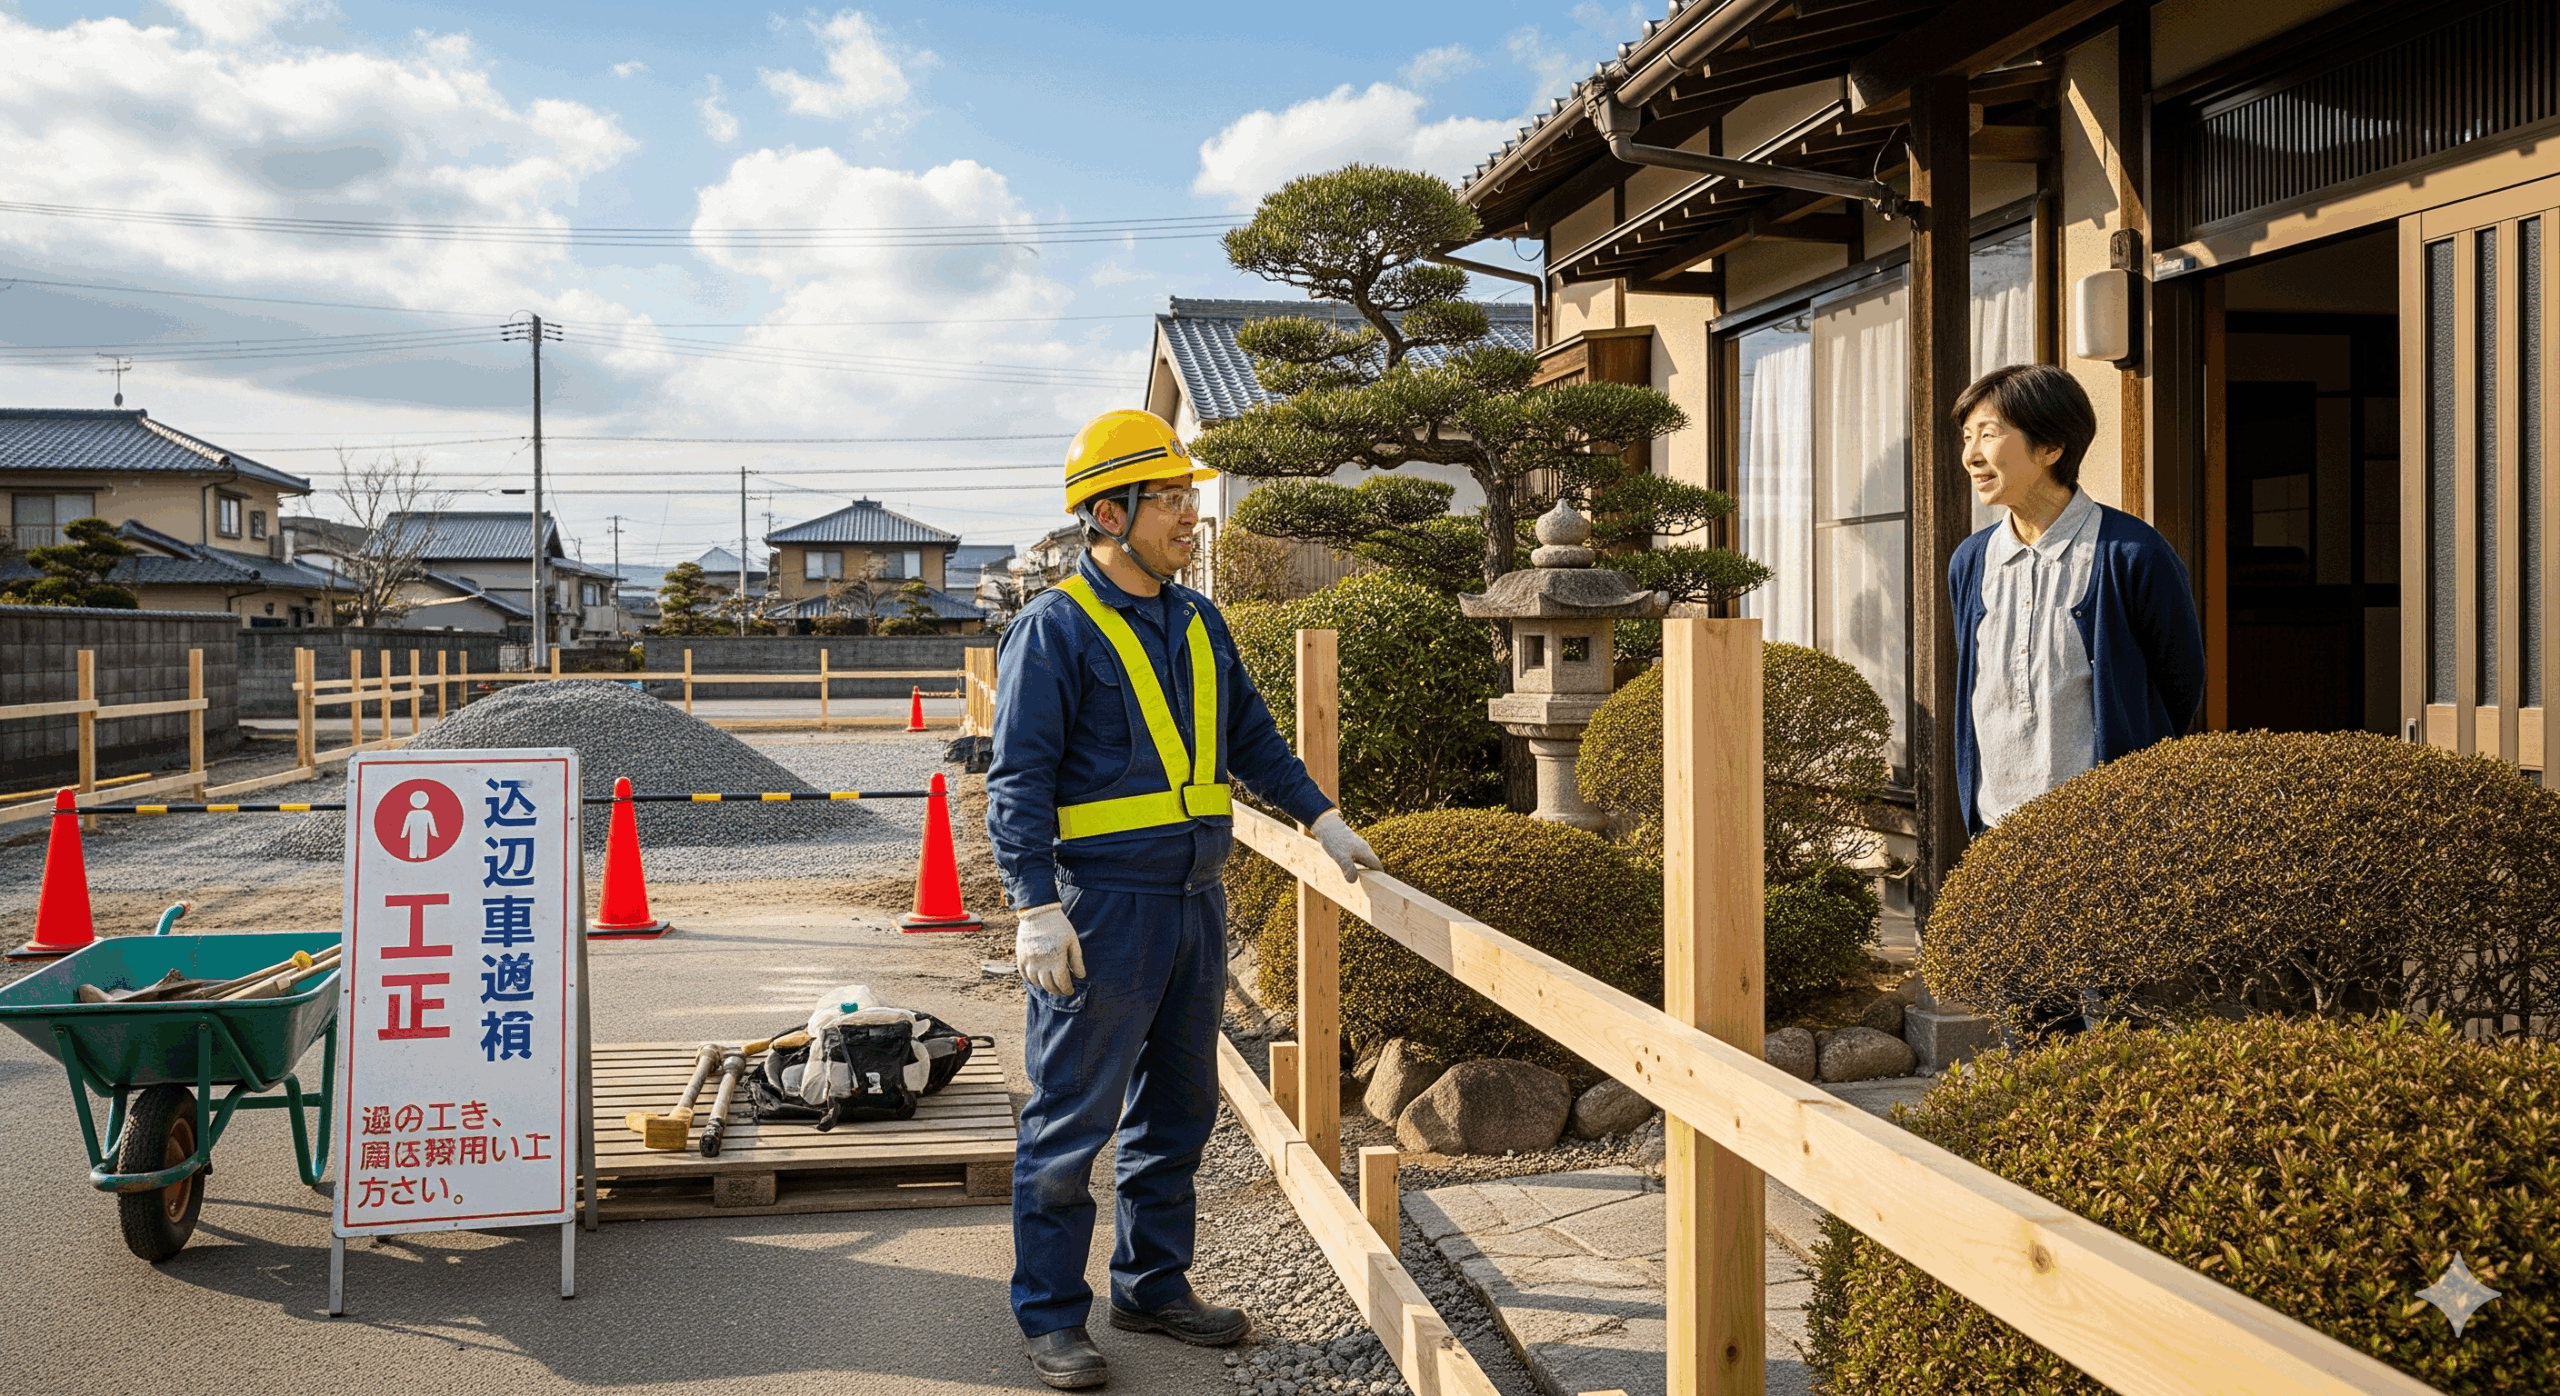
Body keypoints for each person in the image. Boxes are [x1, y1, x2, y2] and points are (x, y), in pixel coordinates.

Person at [986, 408, 1382, 1390]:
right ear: (1109, 512)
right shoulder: (1055, 629)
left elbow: (1251, 740)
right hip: (1100, 907)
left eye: (1189, 499)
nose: (1191, 518)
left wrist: (1321, 820)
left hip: (1192, 903)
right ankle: (1048, 1315)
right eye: (1172, 500)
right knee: (1072, 1118)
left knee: (1180, 1106)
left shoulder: (1200, 622)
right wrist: (1034, 903)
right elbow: (1018, 779)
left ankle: (1151, 1284)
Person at [1946, 363, 2205, 1036]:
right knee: (2029, 1022)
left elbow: (2180, 684)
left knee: (2114, 1023)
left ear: (2051, 447)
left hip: (2101, 836)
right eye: (1968, 435)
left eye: (1990, 434)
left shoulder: (2129, 552)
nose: (1972, 454)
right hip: (2002, 833)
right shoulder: (1971, 562)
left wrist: (2129, 786)